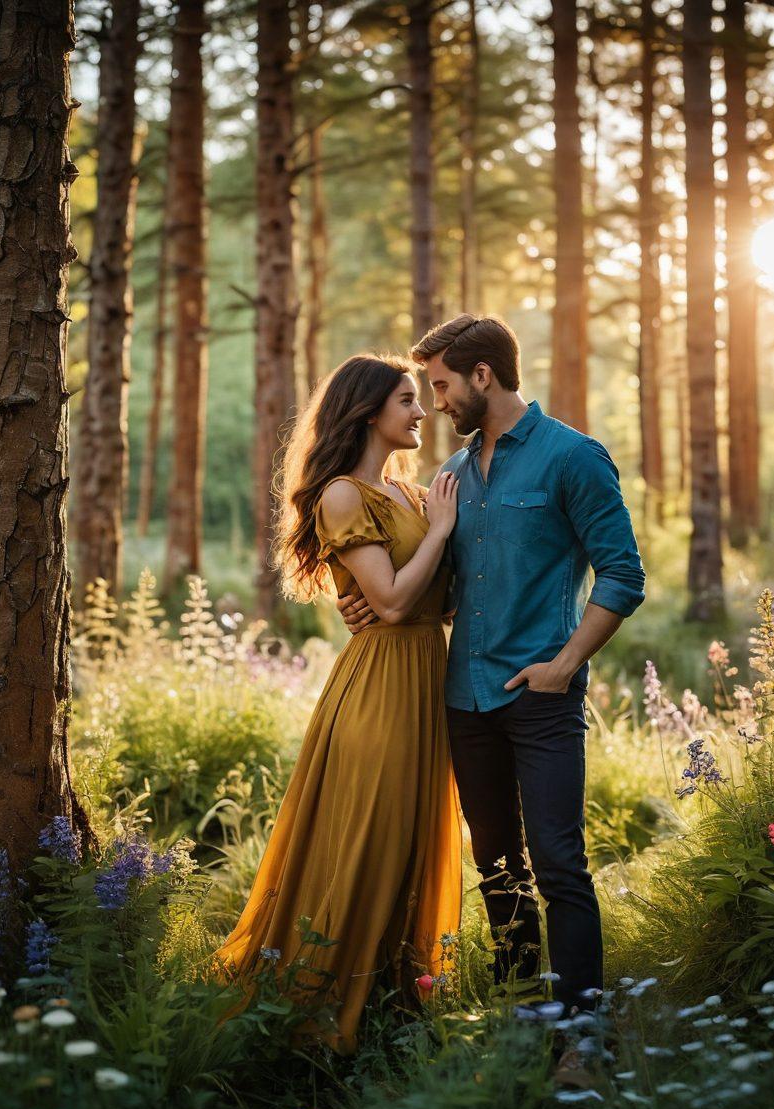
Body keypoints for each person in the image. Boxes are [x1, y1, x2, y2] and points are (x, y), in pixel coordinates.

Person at [338, 315, 645, 1025]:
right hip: (464, 702)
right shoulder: (448, 478)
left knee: (560, 865)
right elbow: (435, 588)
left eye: (443, 385)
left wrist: (564, 665)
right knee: (498, 868)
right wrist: (359, 604)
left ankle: (580, 1033)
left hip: (540, 698)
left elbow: (623, 575)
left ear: (483, 376)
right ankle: (519, 1013)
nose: (436, 402)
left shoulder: (573, 457)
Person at [212, 354, 462, 1055]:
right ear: (368, 411)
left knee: (411, 837)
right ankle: (323, 1005)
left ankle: (394, 998)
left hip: (426, 677)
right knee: (369, 838)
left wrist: (426, 569)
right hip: (379, 689)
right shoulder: (345, 497)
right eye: (407, 400)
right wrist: (439, 534)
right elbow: (391, 602)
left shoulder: (408, 493)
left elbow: (432, 602)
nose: (421, 411)